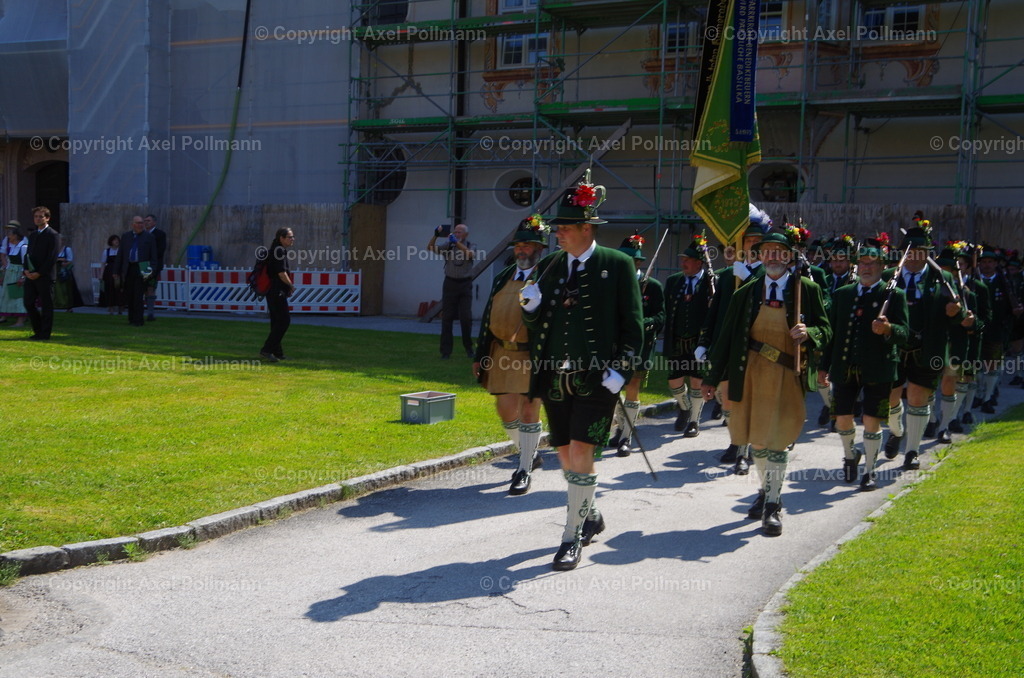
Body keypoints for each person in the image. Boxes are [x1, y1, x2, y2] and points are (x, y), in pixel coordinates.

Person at [519, 170, 643, 570]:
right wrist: (533, 308)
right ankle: (589, 513)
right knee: (564, 455)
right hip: (556, 376)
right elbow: (542, 326)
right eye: (557, 228)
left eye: (565, 227)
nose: (558, 234)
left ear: (587, 228)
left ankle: (570, 537)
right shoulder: (553, 265)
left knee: (581, 451)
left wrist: (620, 372)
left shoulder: (618, 264)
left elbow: (633, 326)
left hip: (596, 379)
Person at [701, 230, 831, 536]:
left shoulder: (806, 289)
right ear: (759, 256)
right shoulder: (744, 292)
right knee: (758, 440)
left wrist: (809, 332)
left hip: (787, 375)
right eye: (767, 251)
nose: (773, 257)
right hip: (751, 374)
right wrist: (711, 377)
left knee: (779, 438)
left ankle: (772, 506)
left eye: (779, 252)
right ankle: (767, 491)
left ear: (788, 256)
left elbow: (826, 329)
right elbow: (727, 338)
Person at [819, 238, 910, 490]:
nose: (866, 268)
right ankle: (850, 457)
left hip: (878, 370)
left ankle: (869, 471)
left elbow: (905, 334)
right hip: (845, 367)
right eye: (862, 263)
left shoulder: (894, 296)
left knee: (871, 421)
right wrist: (823, 367)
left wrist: (888, 328)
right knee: (842, 420)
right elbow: (832, 334)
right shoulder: (842, 294)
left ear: (882, 267)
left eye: (872, 263)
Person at [473, 215, 548, 494]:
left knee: (529, 410)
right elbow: (487, 317)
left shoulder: (548, 277)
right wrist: (480, 355)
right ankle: (528, 451)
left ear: (539, 249)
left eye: (528, 245)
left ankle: (524, 469)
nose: (521, 250)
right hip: (501, 352)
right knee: (505, 410)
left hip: (534, 355)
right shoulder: (504, 276)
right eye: (518, 245)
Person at [882, 218, 964, 470]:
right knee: (890, 399)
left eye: (921, 252)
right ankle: (897, 431)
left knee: (918, 398)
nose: (915, 257)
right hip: (894, 348)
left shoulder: (942, 278)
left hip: (927, 349)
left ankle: (912, 452)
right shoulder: (888, 277)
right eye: (910, 252)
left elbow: (961, 317)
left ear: (928, 254)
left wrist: (955, 313)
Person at [697, 205, 770, 472]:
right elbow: (714, 314)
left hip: (756, 347)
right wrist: (704, 342)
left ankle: (744, 448)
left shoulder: (769, 273)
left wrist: (749, 276)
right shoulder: (729, 275)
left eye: (755, 241)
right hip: (727, 346)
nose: (751, 245)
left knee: (748, 399)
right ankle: (736, 439)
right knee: (726, 397)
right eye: (747, 241)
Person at [607, 233, 664, 457]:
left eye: (631, 260)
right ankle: (619, 428)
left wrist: (641, 322)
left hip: (640, 346)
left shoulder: (653, 286)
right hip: (615, 345)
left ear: (639, 263)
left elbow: (660, 317)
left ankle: (626, 437)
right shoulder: (613, 283)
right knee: (612, 388)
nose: (626, 264)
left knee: (633, 387)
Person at [662, 234, 714, 439]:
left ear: (699, 262)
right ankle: (684, 407)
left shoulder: (711, 282)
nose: (683, 262)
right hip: (677, 341)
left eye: (688, 259)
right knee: (674, 381)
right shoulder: (673, 281)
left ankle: (693, 421)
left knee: (697, 382)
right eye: (682, 259)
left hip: (698, 342)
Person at [427, 223, 476, 359]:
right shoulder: (448, 245)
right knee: (447, 318)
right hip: (450, 283)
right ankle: (446, 352)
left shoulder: (471, 245)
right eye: (455, 232)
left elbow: (470, 254)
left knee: (466, 318)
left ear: (466, 234)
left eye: (459, 232)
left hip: (465, 284)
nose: (456, 234)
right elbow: (430, 248)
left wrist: (457, 243)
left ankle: (469, 348)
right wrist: (435, 236)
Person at [23, 206, 61, 340]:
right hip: (31, 275)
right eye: (36, 216)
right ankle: (38, 330)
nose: (38, 219)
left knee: (46, 305)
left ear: (47, 218)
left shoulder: (53, 235)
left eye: (41, 216)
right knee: (28, 302)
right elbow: (28, 254)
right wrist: (26, 269)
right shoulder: (33, 235)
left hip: (45, 276)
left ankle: (45, 334)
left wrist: (39, 272)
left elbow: (52, 257)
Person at [260, 228, 295, 362]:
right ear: (281, 237)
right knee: (284, 321)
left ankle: (277, 351)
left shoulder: (275, 249)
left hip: (272, 291)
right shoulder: (279, 251)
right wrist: (290, 285)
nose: (292, 239)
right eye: (290, 237)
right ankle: (267, 349)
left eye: (292, 237)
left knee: (276, 322)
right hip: (276, 291)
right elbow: (281, 273)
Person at [116, 215, 158, 327]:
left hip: (143, 267)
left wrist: (151, 271)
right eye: (138, 223)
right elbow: (121, 254)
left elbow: (154, 255)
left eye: (142, 223)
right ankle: (131, 318)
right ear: (133, 224)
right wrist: (116, 271)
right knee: (130, 294)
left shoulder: (149, 237)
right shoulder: (126, 236)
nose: (140, 225)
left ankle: (138, 320)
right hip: (129, 267)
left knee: (138, 295)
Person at [0, 220, 28, 327]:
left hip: (18, 272)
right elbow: (4, 256)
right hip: (10, 272)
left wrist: (22, 277)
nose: (8, 236)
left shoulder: (23, 246)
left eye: (10, 234)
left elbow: (25, 263)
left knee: (18, 296)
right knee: (8, 294)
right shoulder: (10, 244)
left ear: (16, 235)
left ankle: (20, 320)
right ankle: (5, 315)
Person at [143, 214, 167, 321]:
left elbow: (160, 250)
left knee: (151, 287)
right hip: (143, 264)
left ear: (154, 222)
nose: (146, 222)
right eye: (145, 221)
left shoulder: (159, 234)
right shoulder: (142, 234)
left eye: (148, 221)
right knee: (142, 287)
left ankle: (150, 313)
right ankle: (140, 310)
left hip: (153, 265)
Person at [53, 241, 84, 311]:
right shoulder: (54, 250)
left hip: (64, 271)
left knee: (67, 289)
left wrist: (64, 262)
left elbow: (70, 260)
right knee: (57, 289)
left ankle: (68, 305)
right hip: (56, 271)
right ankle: (58, 304)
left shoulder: (67, 249)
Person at [98, 234, 122, 313]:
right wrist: (101, 275)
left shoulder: (121, 250)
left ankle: (120, 306)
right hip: (109, 272)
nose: (116, 241)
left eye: (117, 240)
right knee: (109, 289)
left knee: (119, 288)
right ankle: (110, 306)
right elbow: (103, 263)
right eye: (114, 240)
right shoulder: (106, 251)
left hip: (119, 271)